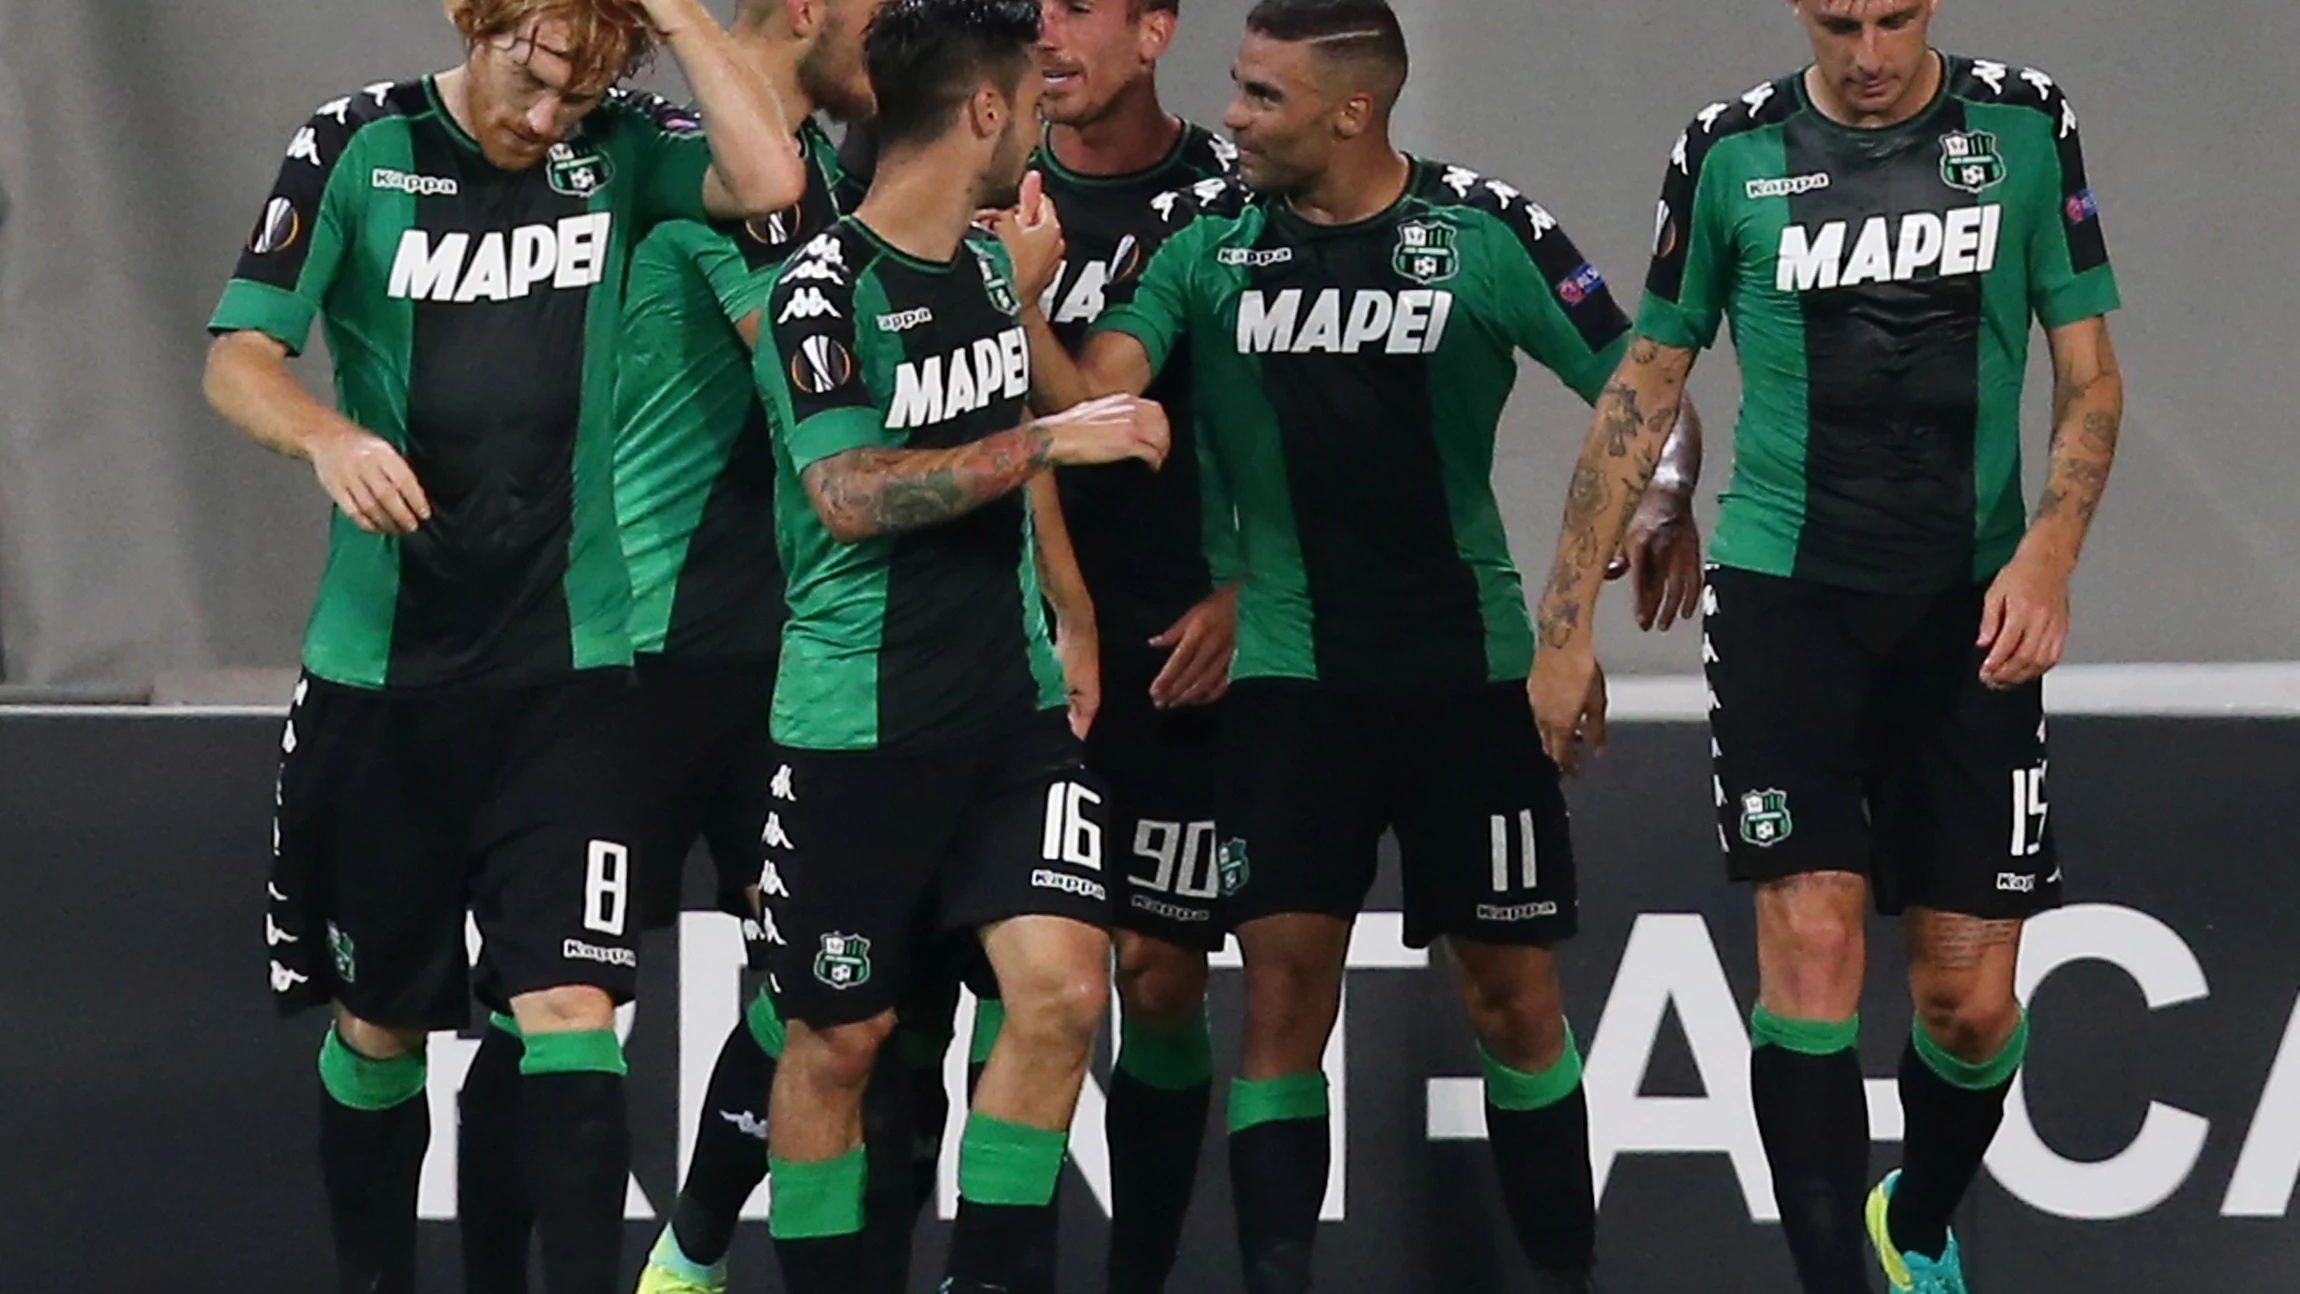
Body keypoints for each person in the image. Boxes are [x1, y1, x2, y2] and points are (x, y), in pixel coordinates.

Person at [1020, 2, 1699, 1289]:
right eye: (1232, 87)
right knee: (1280, 1008)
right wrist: (1026, 315)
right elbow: (1104, 404)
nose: (1230, 118)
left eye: (1261, 97)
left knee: (1515, 1004)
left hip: (1470, 678)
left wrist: (1614, 563)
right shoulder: (1200, 236)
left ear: (1351, 112)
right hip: (1286, 683)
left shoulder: (1482, 230)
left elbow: (1644, 389)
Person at [202, 2, 807, 1291]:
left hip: (570, 683)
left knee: (570, 1018)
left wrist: (674, 12)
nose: (545, 122)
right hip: (386, 682)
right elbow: (238, 354)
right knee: (380, 1030)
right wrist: (325, 437)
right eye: (531, 78)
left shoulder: (627, 148)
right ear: (473, 22)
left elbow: (771, 181)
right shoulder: (357, 145)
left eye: (576, 99)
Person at [1527, 3, 2124, 1292]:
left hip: (1968, 604)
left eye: (1893, 16)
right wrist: (1563, 623)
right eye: (1837, 19)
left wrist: (2048, 552)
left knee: (1968, 1006)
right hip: (1787, 598)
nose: (1865, 51)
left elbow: (2089, 378)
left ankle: (1909, 1231)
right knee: (1809, 951)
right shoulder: (1727, 150)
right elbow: (1644, 379)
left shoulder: (2026, 124)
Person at [745, 2, 1171, 1291]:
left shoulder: (990, 275)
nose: (1038, 120)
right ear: (983, 111)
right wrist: (1058, 434)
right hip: (855, 726)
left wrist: (1071, 605)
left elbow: (999, 459)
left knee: (1058, 992)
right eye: (1026, 104)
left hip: (1011, 713)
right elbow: (851, 496)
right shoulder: (819, 290)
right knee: (838, 1041)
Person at [1028, 2, 1239, 1289]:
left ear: (1155, 27)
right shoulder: (976, 173)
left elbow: (1304, 417)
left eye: (1080, 8)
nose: (1046, 32)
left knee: (1159, 978)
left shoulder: (1231, 192)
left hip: (1173, 639)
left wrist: (1250, 588)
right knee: (1021, 981)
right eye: (1030, 9)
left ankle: (1138, 1277)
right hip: (1004, 638)